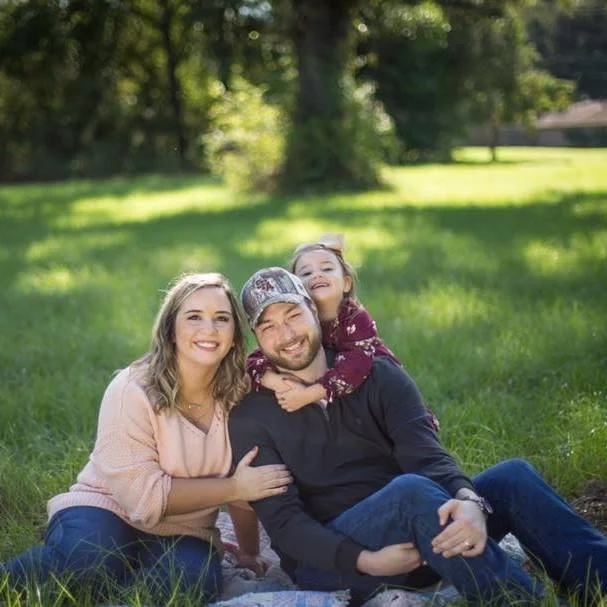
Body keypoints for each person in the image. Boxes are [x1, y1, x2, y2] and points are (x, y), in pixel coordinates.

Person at [229, 267, 607, 607]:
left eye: (294, 315)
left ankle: (599, 581)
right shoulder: (251, 416)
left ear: (315, 312)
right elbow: (286, 526)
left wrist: (470, 502)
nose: (287, 334)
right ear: (256, 337)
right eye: (269, 326)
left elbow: (427, 456)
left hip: (428, 529)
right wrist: (365, 560)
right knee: (410, 492)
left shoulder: (377, 375)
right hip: (335, 563)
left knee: (512, 477)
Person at [0, 273, 292, 604]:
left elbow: (246, 481)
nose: (209, 330)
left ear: (235, 336)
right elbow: (145, 496)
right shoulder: (131, 389)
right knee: (90, 561)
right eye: (194, 317)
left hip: (187, 530)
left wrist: (250, 553)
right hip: (110, 508)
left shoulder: (238, 394)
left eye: (221, 319)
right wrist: (235, 487)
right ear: (170, 329)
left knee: (188, 584)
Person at [246, 234, 439, 430]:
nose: (316, 275)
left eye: (327, 268)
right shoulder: (298, 325)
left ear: (346, 283)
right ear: (296, 290)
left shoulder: (354, 317)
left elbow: (355, 366)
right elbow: (254, 361)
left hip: (375, 382)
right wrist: (276, 382)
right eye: (306, 273)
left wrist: (308, 395)